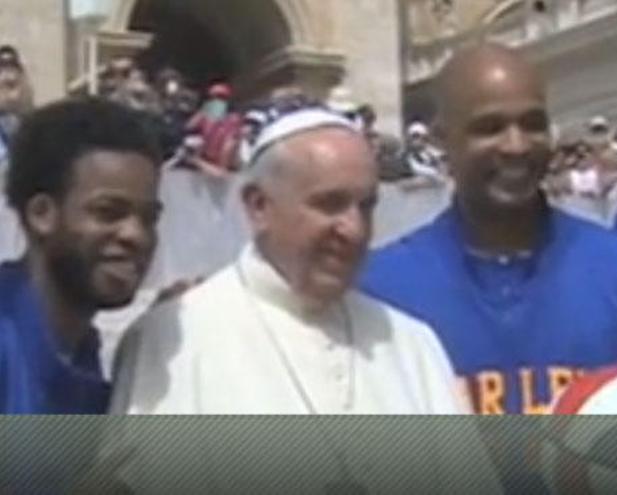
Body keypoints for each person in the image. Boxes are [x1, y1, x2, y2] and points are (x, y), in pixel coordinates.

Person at [360, 43, 617, 416]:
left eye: (533, 124)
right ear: (441, 140)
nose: (516, 145)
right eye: (490, 128)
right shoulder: (382, 293)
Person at [111, 107, 467, 414]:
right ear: (258, 206)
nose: (355, 230)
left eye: (366, 206)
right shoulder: (173, 341)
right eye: (330, 204)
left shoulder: (410, 344)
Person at [0, 98, 163, 413]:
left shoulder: (82, 351)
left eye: (149, 218)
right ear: (42, 214)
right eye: (108, 212)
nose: (135, 235)